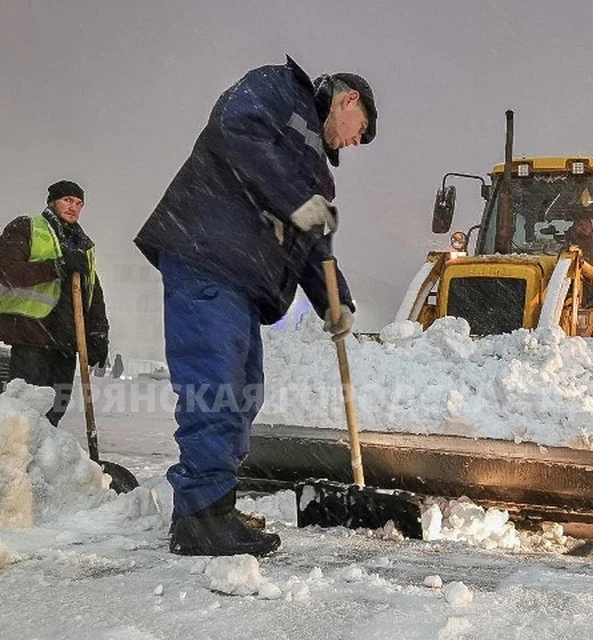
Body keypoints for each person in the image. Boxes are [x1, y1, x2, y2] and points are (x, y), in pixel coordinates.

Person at [135, 56, 377, 557]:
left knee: (243, 396)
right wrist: (297, 200)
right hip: (207, 254)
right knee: (215, 388)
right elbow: (235, 130)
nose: (356, 141)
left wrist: (337, 301)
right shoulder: (278, 88)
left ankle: (215, 503)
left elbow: (313, 249)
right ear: (349, 99)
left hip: (245, 282)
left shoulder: (317, 177)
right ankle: (201, 520)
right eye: (362, 130)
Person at [0, 181, 109, 425]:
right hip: (32, 336)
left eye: (79, 203)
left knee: (55, 410)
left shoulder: (83, 247)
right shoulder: (26, 227)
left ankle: (48, 461)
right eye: (67, 200)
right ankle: (16, 460)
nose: (74, 207)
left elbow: (93, 293)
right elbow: (7, 272)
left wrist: (99, 334)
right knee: (26, 410)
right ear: (52, 201)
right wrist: (57, 266)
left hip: (66, 342)